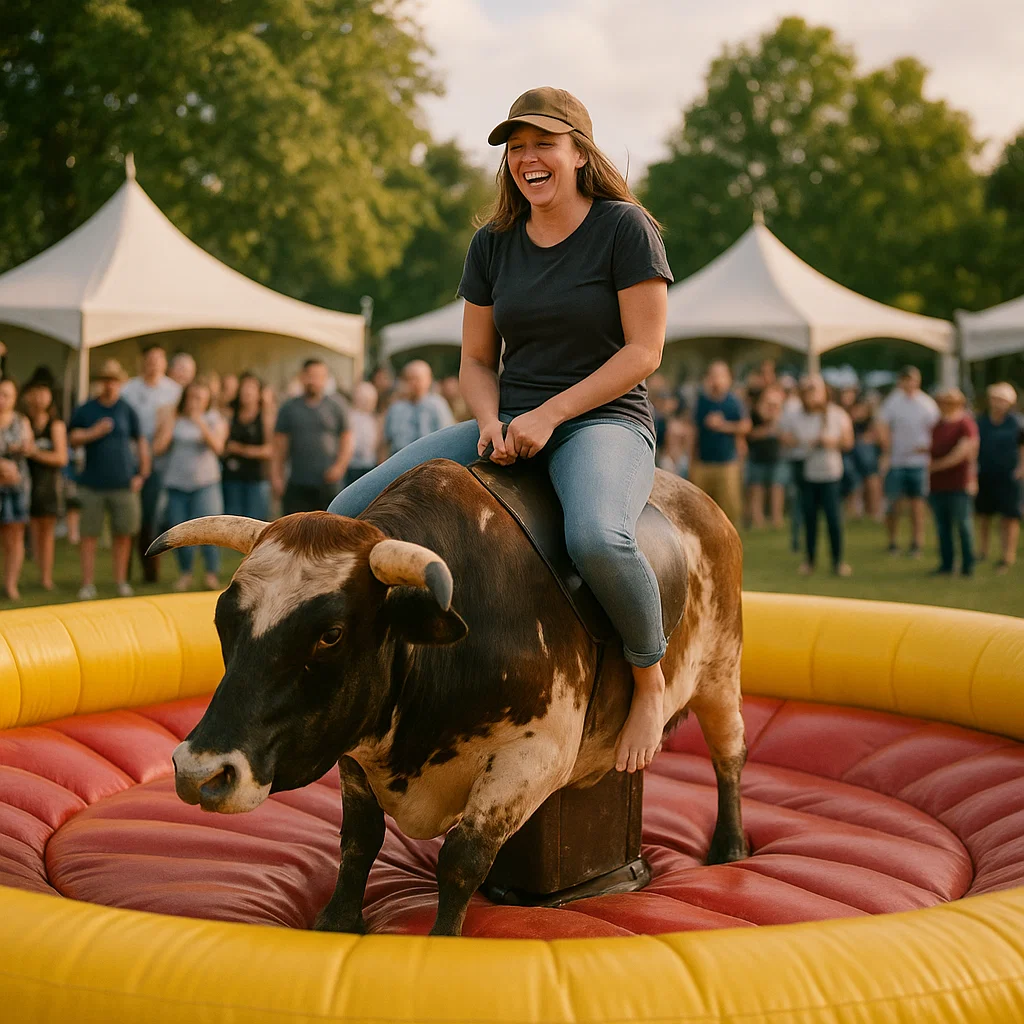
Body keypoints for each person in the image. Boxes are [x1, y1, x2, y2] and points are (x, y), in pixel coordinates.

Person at [328, 86, 674, 774]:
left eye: (543, 143)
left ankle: (648, 679)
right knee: (346, 513)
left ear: (579, 153)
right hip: (507, 419)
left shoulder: (624, 228)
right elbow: (477, 359)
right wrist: (489, 420)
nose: (527, 159)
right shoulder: (492, 243)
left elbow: (643, 353)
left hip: (603, 420)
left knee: (598, 539)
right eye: (515, 148)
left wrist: (551, 414)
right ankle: (367, 683)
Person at [67, 359, 150, 600]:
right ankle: (87, 584)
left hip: (123, 483)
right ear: (99, 383)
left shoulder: (127, 409)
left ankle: (121, 581)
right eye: (105, 380)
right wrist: (94, 432)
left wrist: (142, 474)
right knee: (89, 535)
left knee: (124, 534)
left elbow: (141, 442)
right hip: (91, 484)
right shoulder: (86, 409)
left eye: (114, 381)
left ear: (120, 383)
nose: (109, 385)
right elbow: (72, 438)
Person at [153, 378, 229, 591]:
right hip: (176, 484)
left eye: (200, 398)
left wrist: (200, 422)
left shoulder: (214, 419)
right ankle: (185, 573)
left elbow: (218, 447)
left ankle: (211, 574)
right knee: (179, 530)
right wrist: (170, 424)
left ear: (207, 400)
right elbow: (158, 448)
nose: (195, 402)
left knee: (212, 531)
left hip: (205, 484)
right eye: (191, 397)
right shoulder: (175, 419)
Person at [780, 374, 853, 577]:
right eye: (808, 392)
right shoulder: (796, 416)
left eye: (815, 391)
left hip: (831, 474)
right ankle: (809, 561)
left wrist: (832, 442)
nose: (811, 396)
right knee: (809, 519)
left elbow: (848, 441)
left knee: (833, 519)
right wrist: (800, 443)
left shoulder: (836, 414)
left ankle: (838, 561)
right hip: (807, 474)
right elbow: (784, 436)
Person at [121, 343, 182, 582]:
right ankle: (123, 572)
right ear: (142, 362)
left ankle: (150, 572)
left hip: (161, 464)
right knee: (129, 518)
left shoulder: (174, 391)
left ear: (164, 362)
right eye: (150, 359)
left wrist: (153, 450)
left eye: (159, 359)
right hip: (131, 460)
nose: (154, 364)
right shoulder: (129, 389)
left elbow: (171, 428)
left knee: (151, 518)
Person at [271, 358, 354, 514]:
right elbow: (279, 446)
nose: (314, 380)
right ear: (302, 377)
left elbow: (347, 439)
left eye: (319, 376)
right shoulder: (289, 408)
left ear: (325, 379)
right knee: (295, 532)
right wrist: (276, 476)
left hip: (328, 483)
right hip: (298, 482)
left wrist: (339, 467)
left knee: (328, 532)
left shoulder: (337, 406)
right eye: (310, 375)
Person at [877, 366, 939, 557]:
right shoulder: (893, 402)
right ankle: (893, 542)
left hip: (918, 461)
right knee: (894, 504)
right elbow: (882, 424)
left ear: (917, 381)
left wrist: (929, 448)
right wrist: (886, 448)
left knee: (917, 505)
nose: (909, 383)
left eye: (912, 379)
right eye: (905, 379)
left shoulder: (926, 403)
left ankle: (916, 543)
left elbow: (936, 429)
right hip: (896, 461)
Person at [689, 361, 750, 525]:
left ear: (727, 379)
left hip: (727, 462)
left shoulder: (734, 402)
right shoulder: (701, 402)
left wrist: (723, 426)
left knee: (729, 508)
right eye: (713, 375)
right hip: (703, 463)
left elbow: (746, 426)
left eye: (720, 375)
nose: (716, 380)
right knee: (700, 509)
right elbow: (694, 431)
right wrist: (691, 460)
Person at [22, 375, 68, 592]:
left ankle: (45, 578)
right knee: (26, 531)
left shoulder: (55, 425)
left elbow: (61, 458)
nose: (40, 397)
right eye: (36, 391)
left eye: (44, 392)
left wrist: (34, 452)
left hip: (48, 484)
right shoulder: (22, 421)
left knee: (46, 532)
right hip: (25, 482)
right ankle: (22, 576)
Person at [928, 388, 978, 577]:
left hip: (959, 483)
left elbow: (964, 452)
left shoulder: (965, 424)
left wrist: (935, 466)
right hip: (938, 485)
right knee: (943, 527)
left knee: (963, 525)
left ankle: (968, 565)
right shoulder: (938, 425)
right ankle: (947, 564)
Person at [975, 382, 1023, 575]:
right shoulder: (982, 421)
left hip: (1009, 475)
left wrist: (1021, 467)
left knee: (1009, 517)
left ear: (1010, 402)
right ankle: (982, 551)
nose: (998, 404)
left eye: (1002, 400)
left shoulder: (1017, 422)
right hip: (985, 473)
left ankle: (1007, 556)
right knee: (983, 515)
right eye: (995, 399)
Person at [222, 372, 274, 522]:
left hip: (256, 478)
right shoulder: (231, 413)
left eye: (251, 387)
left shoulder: (265, 416)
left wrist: (240, 449)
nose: (247, 391)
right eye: (244, 387)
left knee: (255, 522)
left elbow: (269, 450)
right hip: (232, 476)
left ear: (259, 393)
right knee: (232, 522)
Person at [0, 378, 33, 600]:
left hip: (16, 486)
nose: (2, 400)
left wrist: (22, 448)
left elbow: (30, 448)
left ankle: (11, 585)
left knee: (15, 535)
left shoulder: (21, 421)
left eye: (6, 395)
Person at [383, 360, 456, 455]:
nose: (413, 383)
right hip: (399, 460)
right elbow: (385, 442)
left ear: (428, 380)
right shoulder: (395, 408)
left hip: (428, 461)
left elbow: (448, 438)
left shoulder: (437, 405)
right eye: (409, 378)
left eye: (417, 379)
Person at [745, 385, 786, 529]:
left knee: (777, 487)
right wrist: (768, 429)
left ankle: (777, 519)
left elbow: (783, 434)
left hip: (777, 455)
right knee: (757, 488)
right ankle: (758, 520)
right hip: (757, 455)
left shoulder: (782, 415)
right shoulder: (753, 414)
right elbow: (750, 434)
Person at [346, 380, 383, 485]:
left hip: (370, 465)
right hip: (351, 466)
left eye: (369, 398)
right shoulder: (349, 416)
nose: (366, 401)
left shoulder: (375, 419)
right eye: (363, 397)